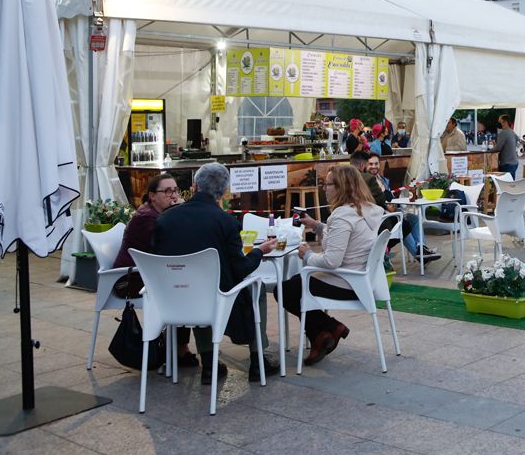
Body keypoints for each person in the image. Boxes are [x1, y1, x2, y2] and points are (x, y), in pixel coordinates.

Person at [152, 163, 277, 384]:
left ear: (194, 186)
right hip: (215, 299)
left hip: (171, 299)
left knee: (199, 285)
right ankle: (258, 361)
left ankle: (209, 365)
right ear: (224, 192)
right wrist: (259, 251)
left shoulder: (165, 219)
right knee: (254, 289)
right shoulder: (226, 222)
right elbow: (241, 268)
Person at [278, 165, 384, 366]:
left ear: (342, 186)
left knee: (284, 290)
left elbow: (331, 261)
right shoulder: (366, 208)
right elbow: (346, 238)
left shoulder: (342, 215)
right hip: (361, 280)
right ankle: (322, 336)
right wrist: (317, 226)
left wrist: (307, 255)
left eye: (328, 184)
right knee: (294, 286)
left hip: (345, 282)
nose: (324, 189)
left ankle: (329, 327)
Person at [112, 173, 196, 367]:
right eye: (167, 191)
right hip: (129, 280)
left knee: (184, 284)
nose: (173, 195)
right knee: (181, 288)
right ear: (152, 195)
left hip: (148, 274)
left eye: (175, 190)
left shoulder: (159, 214)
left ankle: (177, 346)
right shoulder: (147, 218)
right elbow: (169, 246)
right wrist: (180, 212)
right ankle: (178, 349)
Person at [366, 153, 439, 262]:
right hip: (382, 219)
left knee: (414, 218)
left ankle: (421, 248)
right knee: (403, 224)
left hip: (393, 213)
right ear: (365, 165)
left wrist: (394, 206)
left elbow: (391, 199)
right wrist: (388, 207)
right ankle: (420, 255)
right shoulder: (367, 182)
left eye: (376, 163)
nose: (374, 166)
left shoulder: (383, 180)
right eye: (370, 164)